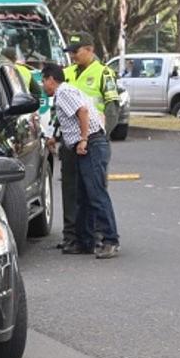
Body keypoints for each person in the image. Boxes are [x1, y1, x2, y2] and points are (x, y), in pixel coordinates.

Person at [41, 64, 120, 259]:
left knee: (96, 193)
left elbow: (82, 112)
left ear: (51, 79)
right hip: (85, 144)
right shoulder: (64, 93)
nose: (43, 86)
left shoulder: (64, 91)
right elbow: (68, 121)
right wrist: (56, 138)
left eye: (43, 81)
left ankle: (110, 240)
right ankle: (86, 242)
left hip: (92, 143)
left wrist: (84, 139)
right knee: (83, 195)